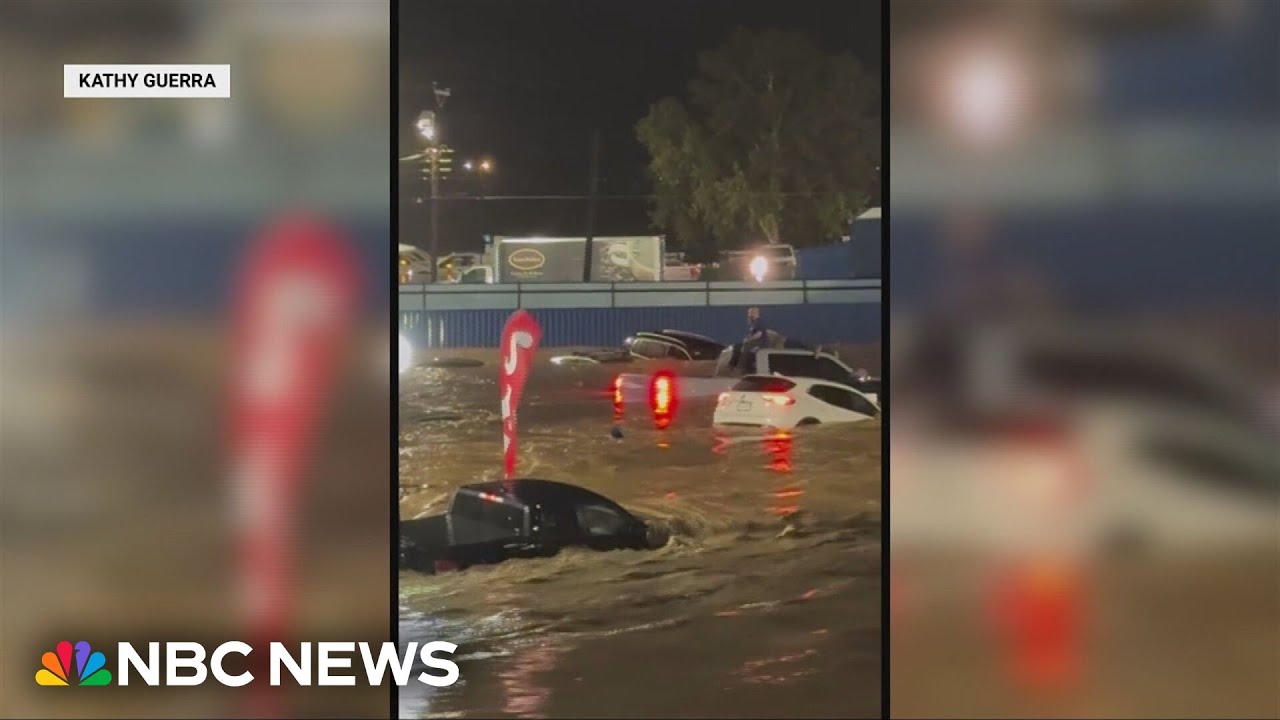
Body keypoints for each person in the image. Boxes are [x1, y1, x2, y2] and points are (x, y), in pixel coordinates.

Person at [738, 307, 768, 372]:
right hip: (755, 342)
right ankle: (740, 367)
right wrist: (746, 338)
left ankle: (741, 368)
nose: (748, 314)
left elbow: (758, 334)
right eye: (748, 313)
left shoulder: (759, 322)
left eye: (750, 313)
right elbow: (751, 334)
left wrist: (748, 340)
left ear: (755, 313)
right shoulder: (753, 323)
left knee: (747, 348)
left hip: (761, 343)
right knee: (738, 346)